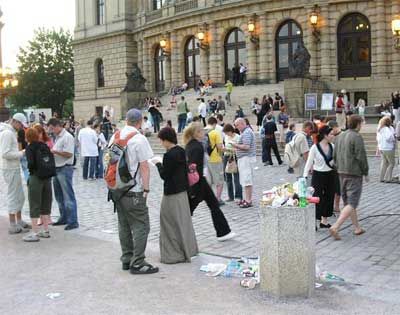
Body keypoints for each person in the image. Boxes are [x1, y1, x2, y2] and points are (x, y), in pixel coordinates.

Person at [108, 109, 158, 274]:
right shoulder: (139, 139)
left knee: (124, 224)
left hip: (117, 189)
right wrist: (146, 188)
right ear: (140, 121)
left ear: (127, 120)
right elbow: (144, 166)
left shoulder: (115, 136)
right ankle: (138, 262)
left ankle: (127, 259)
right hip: (133, 189)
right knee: (141, 225)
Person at [153, 127, 198, 264]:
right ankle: (188, 250)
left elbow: (165, 176)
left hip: (172, 194)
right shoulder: (181, 151)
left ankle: (173, 254)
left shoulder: (169, 155)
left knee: (169, 223)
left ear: (166, 140)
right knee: (183, 222)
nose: (161, 143)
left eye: (161, 141)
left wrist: (158, 164)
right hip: (182, 192)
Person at [184, 123, 235, 241]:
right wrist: (193, 188)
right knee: (190, 209)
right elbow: (193, 168)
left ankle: (223, 232)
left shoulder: (192, 145)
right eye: (201, 131)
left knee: (212, 205)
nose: (204, 133)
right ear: (196, 133)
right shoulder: (196, 147)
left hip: (199, 181)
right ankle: (179, 232)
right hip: (197, 182)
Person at [330, 115, 369, 240]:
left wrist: (337, 167)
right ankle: (336, 226)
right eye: (361, 124)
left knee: (348, 202)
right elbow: (361, 156)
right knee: (352, 202)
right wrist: (365, 172)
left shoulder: (340, 136)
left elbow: (334, 155)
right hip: (353, 173)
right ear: (357, 124)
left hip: (341, 172)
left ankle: (357, 228)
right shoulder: (356, 137)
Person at [0, 113, 31, 234]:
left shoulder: (10, 132)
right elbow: (5, 154)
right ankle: (13, 224)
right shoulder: (7, 133)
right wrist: (22, 153)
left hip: (13, 167)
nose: (22, 128)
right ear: (16, 122)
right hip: (9, 168)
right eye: (21, 125)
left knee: (19, 196)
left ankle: (19, 220)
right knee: (13, 195)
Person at [47, 118, 79, 230]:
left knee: (68, 195)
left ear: (57, 126)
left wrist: (54, 151)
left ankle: (73, 220)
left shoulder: (67, 137)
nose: (51, 131)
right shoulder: (58, 137)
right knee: (59, 196)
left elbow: (69, 154)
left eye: (52, 128)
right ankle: (64, 217)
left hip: (64, 168)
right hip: (57, 168)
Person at [23, 128, 54, 242]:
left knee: (34, 204)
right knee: (46, 204)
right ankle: (46, 230)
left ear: (28, 137)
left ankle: (35, 232)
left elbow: (30, 163)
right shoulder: (44, 145)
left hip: (36, 178)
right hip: (47, 178)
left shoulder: (30, 148)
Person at [303, 126, 336, 229]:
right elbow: (309, 162)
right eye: (331, 134)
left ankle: (324, 221)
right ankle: (315, 221)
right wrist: (305, 176)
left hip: (330, 174)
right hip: (318, 175)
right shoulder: (315, 147)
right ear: (325, 135)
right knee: (317, 198)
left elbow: (335, 162)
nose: (333, 136)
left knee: (329, 197)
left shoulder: (333, 146)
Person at [232, 118, 256, 208]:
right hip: (244, 159)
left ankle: (248, 200)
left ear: (242, 124)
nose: (236, 127)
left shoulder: (246, 133)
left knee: (247, 180)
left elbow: (246, 146)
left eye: (237, 125)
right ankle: (246, 199)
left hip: (246, 159)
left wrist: (235, 145)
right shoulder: (245, 132)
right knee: (245, 180)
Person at [206, 117, 225, 205]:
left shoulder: (202, 132)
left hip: (205, 159)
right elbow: (220, 147)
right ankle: (217, 199)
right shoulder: (215, 132)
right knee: (219, 181)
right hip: (215, 159)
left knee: (208, 181)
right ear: (215, 123)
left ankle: (209, 199)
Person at [222, 123, 242, 202]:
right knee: (227, 177)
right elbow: (224, 145)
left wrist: (229, 149)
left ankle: (238, 196)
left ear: (231, 131)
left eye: (227, 132)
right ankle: (230, 196)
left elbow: (239, 149)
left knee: (236, 177)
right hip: (226, 157)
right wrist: (224, 149)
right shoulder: (226, 137)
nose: (226, 134)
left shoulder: (238, 137)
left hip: (234, 157)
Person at [377, 116, 397, 183]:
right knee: (392, 163)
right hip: (388, 148)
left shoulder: (380, 129)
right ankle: (388, 178)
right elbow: (389, 138)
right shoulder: (387, 129)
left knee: (384, 163)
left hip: (382, 147)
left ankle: (381, 177)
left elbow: (378, 139)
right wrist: (393, 138)